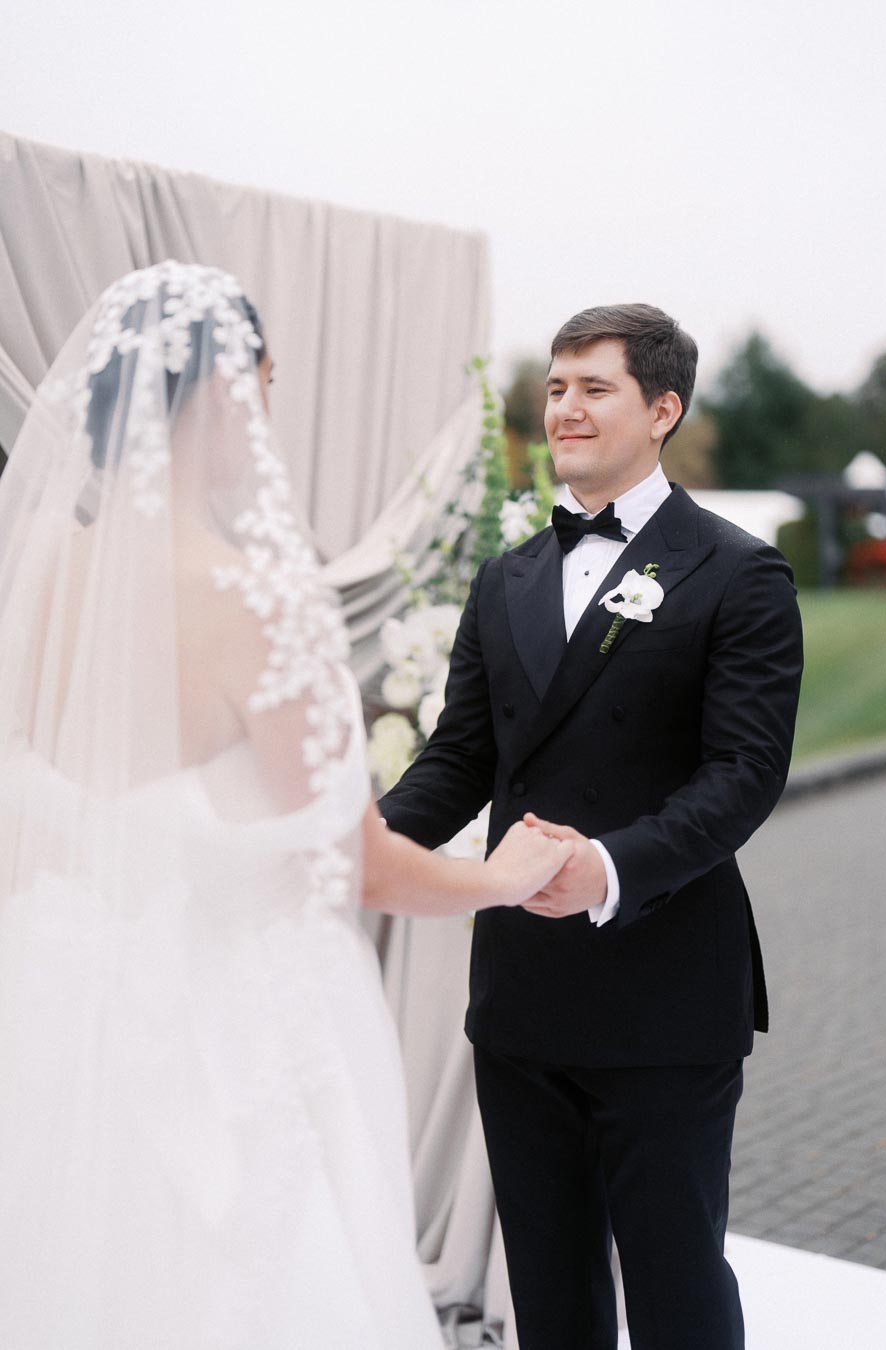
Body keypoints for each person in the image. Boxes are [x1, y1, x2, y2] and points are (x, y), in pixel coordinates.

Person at [0, 260, 573, 1350]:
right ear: (226, 389)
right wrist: (504, 876)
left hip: (60, 1011)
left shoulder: (38, 576)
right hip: (230, 1032)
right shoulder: (259, 599)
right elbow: (363, 865)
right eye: (265, 378)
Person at [381, 303, 804, 1350]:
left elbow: (743, 776)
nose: (564, 407)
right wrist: (355, 842)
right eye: (557, 387)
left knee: (676, 1289)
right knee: (551, 1292)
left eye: (593, 387)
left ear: (662, 409)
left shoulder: (738, 574)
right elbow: (460, 759)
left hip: (665, 992)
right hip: (522, 995)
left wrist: (609, 869)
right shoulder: (506, 579)